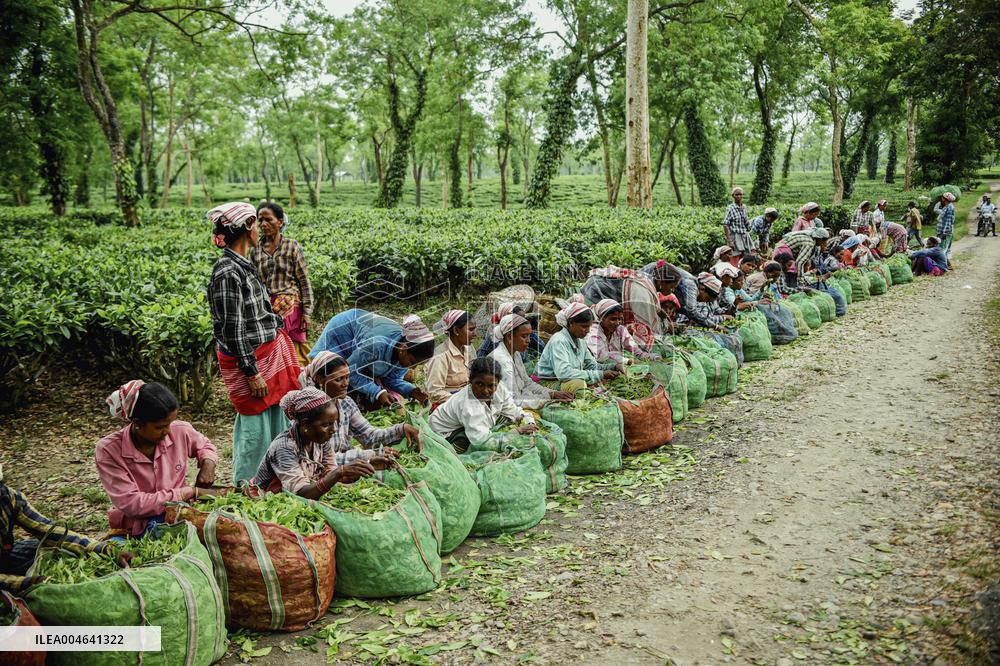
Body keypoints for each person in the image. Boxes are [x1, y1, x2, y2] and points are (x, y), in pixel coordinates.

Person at [207, 202, 301, 484]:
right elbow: (232, 328)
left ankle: (276, 478)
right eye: (255, 224)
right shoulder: (227, 272)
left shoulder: (242, 266)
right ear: (246, 229)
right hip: (254, 362)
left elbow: (249, 316)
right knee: (255, 426)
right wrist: (251, 372)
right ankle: (249, 484)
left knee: (275, 418)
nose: (260, 229)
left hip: (266, 355)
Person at [96, 381, 220, 537]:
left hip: (180, 513)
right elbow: (132, 504)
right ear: (138, 423)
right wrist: (189, 492)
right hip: (136, 525)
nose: (167, 431)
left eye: (170, 423)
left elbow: (205, 446)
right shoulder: (109, 450)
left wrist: (208, 464)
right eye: (160, 427)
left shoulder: (180, 430)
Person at [1, 465, 132, 592]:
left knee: (50, 550)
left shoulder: (8, 498)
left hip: (4, 554)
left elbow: (47, 530)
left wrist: (103, 549)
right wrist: (30, 583)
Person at [251, 388, 396, 498]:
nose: (334, 430)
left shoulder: (321, 441)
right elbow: (300, 493)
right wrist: (340, 471)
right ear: (305, 424)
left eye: (334, 423)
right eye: (326, 425)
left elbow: (330, 476)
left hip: (302, 495)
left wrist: (367, 464)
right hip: (268, 500)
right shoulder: (284, 448)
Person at [309, 309, 434, 409]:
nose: (413, 368)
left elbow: (391, 379)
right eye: (412, 362)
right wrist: (377, 392)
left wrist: (411, 391)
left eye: (418, 364)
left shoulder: (403, 353)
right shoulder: (376, 345)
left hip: (363, 343)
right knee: (335, 379)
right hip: (343, 332)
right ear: (403, 349)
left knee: (370, 398)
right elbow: (350, 371)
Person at [298, 351, 421, 451]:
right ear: (320, 379)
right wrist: (367, 457)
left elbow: (369, 436)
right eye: (339, 379)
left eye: (347, 377)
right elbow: (322, 458)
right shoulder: (310, 410)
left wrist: (401, 429)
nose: (345, 384)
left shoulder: (346, 403)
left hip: (347, 466)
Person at [249, 202, 314, 365]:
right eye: (260, 220)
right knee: (273, 357)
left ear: (280, 222)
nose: (263, 224)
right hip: (267, 311)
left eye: (268, 219)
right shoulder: (255, 250)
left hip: (292, 310)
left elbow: (304, 281)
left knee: (297, 356)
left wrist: (307, 312)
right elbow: (253, 283)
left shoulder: (292, 246)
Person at [429, 357, 536, 453]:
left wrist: (528, 420)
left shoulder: (500, 389)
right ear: (470, 381)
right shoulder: (468, 406)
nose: (485, 391)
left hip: (464, 422)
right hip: (444, 432)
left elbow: (512, 410)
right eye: (479, 384)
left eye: (491, 386)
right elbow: (481, 443)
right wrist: (517, 432)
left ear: (498, 383)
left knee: (506, 418)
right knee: (467, 442)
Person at [488, 314, 573, 409]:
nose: (528, 340)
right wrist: (548, 397)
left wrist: (551, 393)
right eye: (524, 336)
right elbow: (514, 402)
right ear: (509, 337)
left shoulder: (515, 354)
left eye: (529, 336)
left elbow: (527, 383)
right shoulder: (501, 361)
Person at [536, 302, 620, 392]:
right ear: (571, 323)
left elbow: (592, 366)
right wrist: (601, 374)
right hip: (547, 382)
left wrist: (614, 366)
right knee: (579, 384)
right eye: (584, 326)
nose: (587, 331)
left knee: (604, 372)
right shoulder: (559, 341)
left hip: (565, 380)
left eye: (589, 326)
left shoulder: (581, 341)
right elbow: (564, 373)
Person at [642, 261, 731, 332]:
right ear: (702, 289)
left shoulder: (690, 286)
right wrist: (715, 326)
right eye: (706, 299)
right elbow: (691, 311)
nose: (703, 302)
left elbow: (685, 310)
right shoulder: (691, 286)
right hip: (647, 278)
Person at [424, 310, 476, 407]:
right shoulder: (440, 357)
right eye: (470, 330)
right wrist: (461, 400)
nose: (475, 334)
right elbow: (434, 392)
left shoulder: (469, 349)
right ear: (456, 331)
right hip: (448, 406)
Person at [586, 299, 658, 365]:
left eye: (620, 319)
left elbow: (636, 351)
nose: (617, 323)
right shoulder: (593, 332)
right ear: (602, 318)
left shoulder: (620, 330)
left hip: (615, 367)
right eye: (613, 319)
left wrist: (653, 357)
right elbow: (601, 356)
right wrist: (627, 361)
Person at [477, 303, 545, 359]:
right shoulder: (497, 333)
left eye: (523, 319)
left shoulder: (522, 330)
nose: (522, 322)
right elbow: (520, 356)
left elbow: (542, 347)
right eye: (518, 320)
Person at [722, 187, 755, 262]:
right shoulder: (730, 208)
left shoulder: (744, 207)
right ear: (733, 196)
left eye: (740, 194)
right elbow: (725, 224)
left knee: (746, 256)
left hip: (744, 235)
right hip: (735, 236)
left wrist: (750, 227)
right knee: (735, 256)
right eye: (736, 194)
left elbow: (746, 221)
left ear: (743, 195)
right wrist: (729, 240)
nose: (739, 196)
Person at [935, 192, 957, 258]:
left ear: (945, 199)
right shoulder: (946, 207)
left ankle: (943, 263)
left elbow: (948, 221)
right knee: (942, 249)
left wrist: (945, 233)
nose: (941, 199)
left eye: (943, 197)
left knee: (943, 249)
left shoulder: (949, 207)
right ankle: (945, 262)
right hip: (941, 231)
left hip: (944, 232)